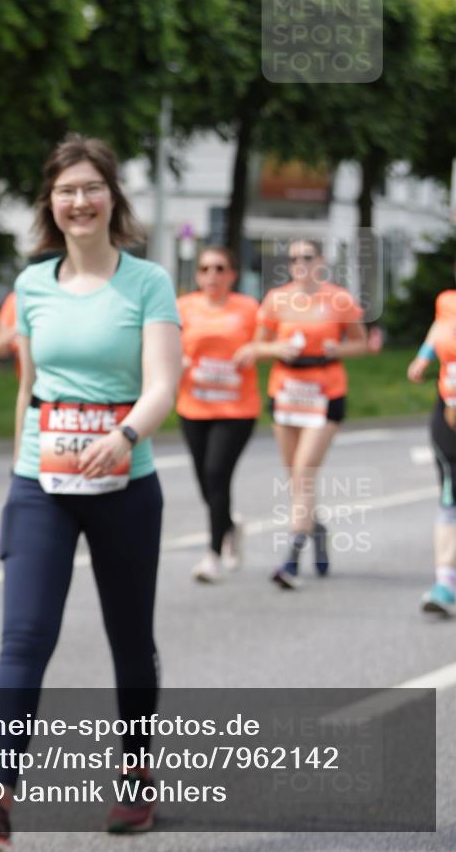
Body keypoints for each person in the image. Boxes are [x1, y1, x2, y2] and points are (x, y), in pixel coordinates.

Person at [0, 135, 182, 849]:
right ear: (50, 204)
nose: (78, 201)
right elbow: (27, 387)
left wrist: (127, 436)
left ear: (112, 196)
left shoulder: (148, 282)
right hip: (41, 484)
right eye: (64, 191)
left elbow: (163, 383)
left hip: (125, 484)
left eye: (90, 187)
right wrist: (15, 483)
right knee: (22, 640)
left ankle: (136, 778)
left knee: (129, 640)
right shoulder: (31, 284)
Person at [252, 239, 380, 589]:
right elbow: (256, 347)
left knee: (304, 474)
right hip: (287, 393)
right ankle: (317, 530)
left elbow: (362, 343)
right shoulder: (276, 299)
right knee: (296, 479)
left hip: (325, 394)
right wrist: (276, 347)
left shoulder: (338, 298)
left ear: (321, 261)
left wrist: (337, 348)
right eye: (293, 258)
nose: (300, 264)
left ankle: (290, 560)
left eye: (307, 257)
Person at [177, 247, 260, 583]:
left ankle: (212, 555)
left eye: (220, 268)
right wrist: (176, 359)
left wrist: (254, 349)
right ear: (197, 275)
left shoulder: (248, 308)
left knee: (216, 472)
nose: (212, 275)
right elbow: (166, 342)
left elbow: (268, 341)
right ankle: (228, 525)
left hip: (236, 408)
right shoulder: (184, 307)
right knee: (204, 481)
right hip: (194, 405)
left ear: (232, 274)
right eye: (205, 268)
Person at [407, 274, 456, 616]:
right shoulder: (447, 300)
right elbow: (439, 327)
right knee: (449, 493)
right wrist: (423, 357)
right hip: (448, 411)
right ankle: (445, 583)